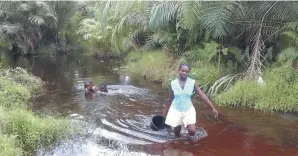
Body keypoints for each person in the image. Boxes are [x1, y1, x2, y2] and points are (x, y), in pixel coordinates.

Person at [163, 63, 218, 138]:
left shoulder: (192, 83)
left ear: (188, 72)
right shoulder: (173, 83)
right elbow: (170, 99)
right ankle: (179, 143)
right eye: (182, 71)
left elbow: (202, 95)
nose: (184, 73)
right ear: (179, 70)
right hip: (176, 109)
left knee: (192, 131)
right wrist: (165, 111)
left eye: (186, 71)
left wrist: (212, 108)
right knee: (177, 133)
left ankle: (188, 144)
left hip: (188, 109)